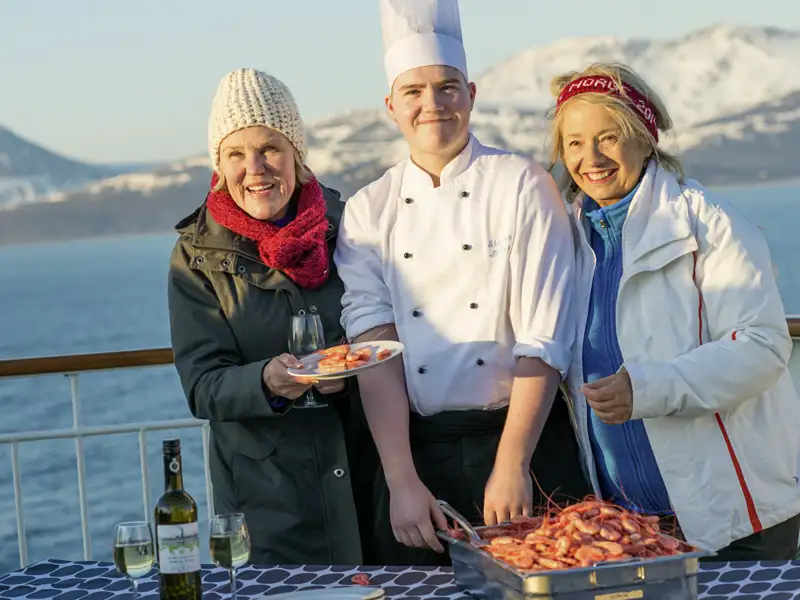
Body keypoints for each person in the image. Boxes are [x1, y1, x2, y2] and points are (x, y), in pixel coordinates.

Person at [333, 0, 591, 566]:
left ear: (471, 93)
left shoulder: (522, 185)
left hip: (525, 443)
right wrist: (400, 481)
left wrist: (512, 463)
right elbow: (375, 350)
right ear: (391, 106)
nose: (433, 104)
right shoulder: (369, 210)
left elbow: (543, 336)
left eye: (447, 86)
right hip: (418, 456)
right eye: (415, 91)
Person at [550, 62, 800, 560]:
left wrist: (644, 388)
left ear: (645, 137)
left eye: (608, 137)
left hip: (732, 519)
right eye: (574, 142)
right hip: (625, 524)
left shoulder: (709, 222)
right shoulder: (565, 238)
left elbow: (762, 344)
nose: (591, 157)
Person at [167, 68, 377, 565]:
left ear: (296, 156)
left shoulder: (351, 227)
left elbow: (390, 338)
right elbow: (202, 386)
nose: (255, 167)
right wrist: (267, 381)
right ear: (219, 166)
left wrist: (345, 378)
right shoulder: (196, 255)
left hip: (366, 481)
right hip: (267, 503)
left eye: (270, 148)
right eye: (236, 153)